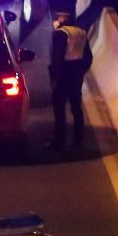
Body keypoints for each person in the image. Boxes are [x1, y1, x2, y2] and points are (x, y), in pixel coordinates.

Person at [47, 12, 92, 150]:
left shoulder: (59, 34)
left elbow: (57, 58)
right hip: (76, 73)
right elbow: (88, 57)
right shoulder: (81, 33)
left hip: (63, 73)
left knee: (59, 109)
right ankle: (78, 140)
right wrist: (81, 71)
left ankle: (59, 141)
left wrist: (54, 76)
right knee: (76, 107)